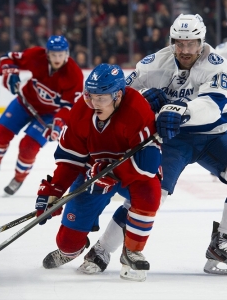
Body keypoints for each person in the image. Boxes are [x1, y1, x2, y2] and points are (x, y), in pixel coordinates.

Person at [81, 13, 227, 276]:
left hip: (213, 134)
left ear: (201, 41)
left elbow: (213, 107)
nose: (184, 50)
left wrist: (179, 109)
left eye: (191, 43)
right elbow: (122, 94)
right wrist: (141, 99)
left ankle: (223, 242)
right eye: (179, 43)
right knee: (148, 196)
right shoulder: (153, 63)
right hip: (172, 139)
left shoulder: (217, 64)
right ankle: (102, 249)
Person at [35, 63, 162, 281]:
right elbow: (70, 159)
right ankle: (72, 250)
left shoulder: (137, 109)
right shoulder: (80, 111)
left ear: (118, 96)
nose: (94, 103)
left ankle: (132, 250)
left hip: (133, 173)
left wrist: (112, 173)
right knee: (66, 243)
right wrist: (54, 190)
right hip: (93, 175)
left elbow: (148, 164)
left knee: (151, 192)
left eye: (101, 98)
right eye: (90, 96)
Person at [0, 36, 84, 195]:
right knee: (1, 134)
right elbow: (8, 58)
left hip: (50, 115)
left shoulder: (74, 75)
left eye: (60, 54)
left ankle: (18, 178)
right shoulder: (37, 56)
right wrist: (10, 74)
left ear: (67, 54)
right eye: (53, 54)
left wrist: (58, 124)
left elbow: (69, 106)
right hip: (24, 102)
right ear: (47, 53)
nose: (57, 58)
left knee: (28, 147)